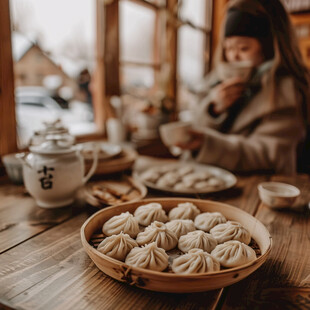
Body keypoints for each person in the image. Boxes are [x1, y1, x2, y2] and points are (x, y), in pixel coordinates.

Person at [180, 0, 310, 175]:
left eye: (244, 47)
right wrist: (214, 109)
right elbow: (193, 125)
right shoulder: (216, 79)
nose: (234, 56)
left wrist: (208, 144)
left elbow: (269, 153)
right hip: (204, 179)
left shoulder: (287, 91)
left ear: (270, 47)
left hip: (255, 189)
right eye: (228, 48)